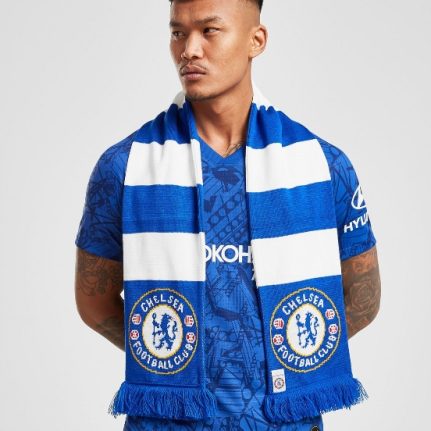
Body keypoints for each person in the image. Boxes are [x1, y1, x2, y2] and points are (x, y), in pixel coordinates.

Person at [74, 0, 381, 430]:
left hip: (283, 420)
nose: (189, 50)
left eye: (209, 31)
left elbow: (363, 295)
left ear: (256, 40)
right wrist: (170, 359)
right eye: (178, 33)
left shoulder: (324, 167)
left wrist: (292, 357)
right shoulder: (123, 168)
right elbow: (93, 300)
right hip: (167, 421)